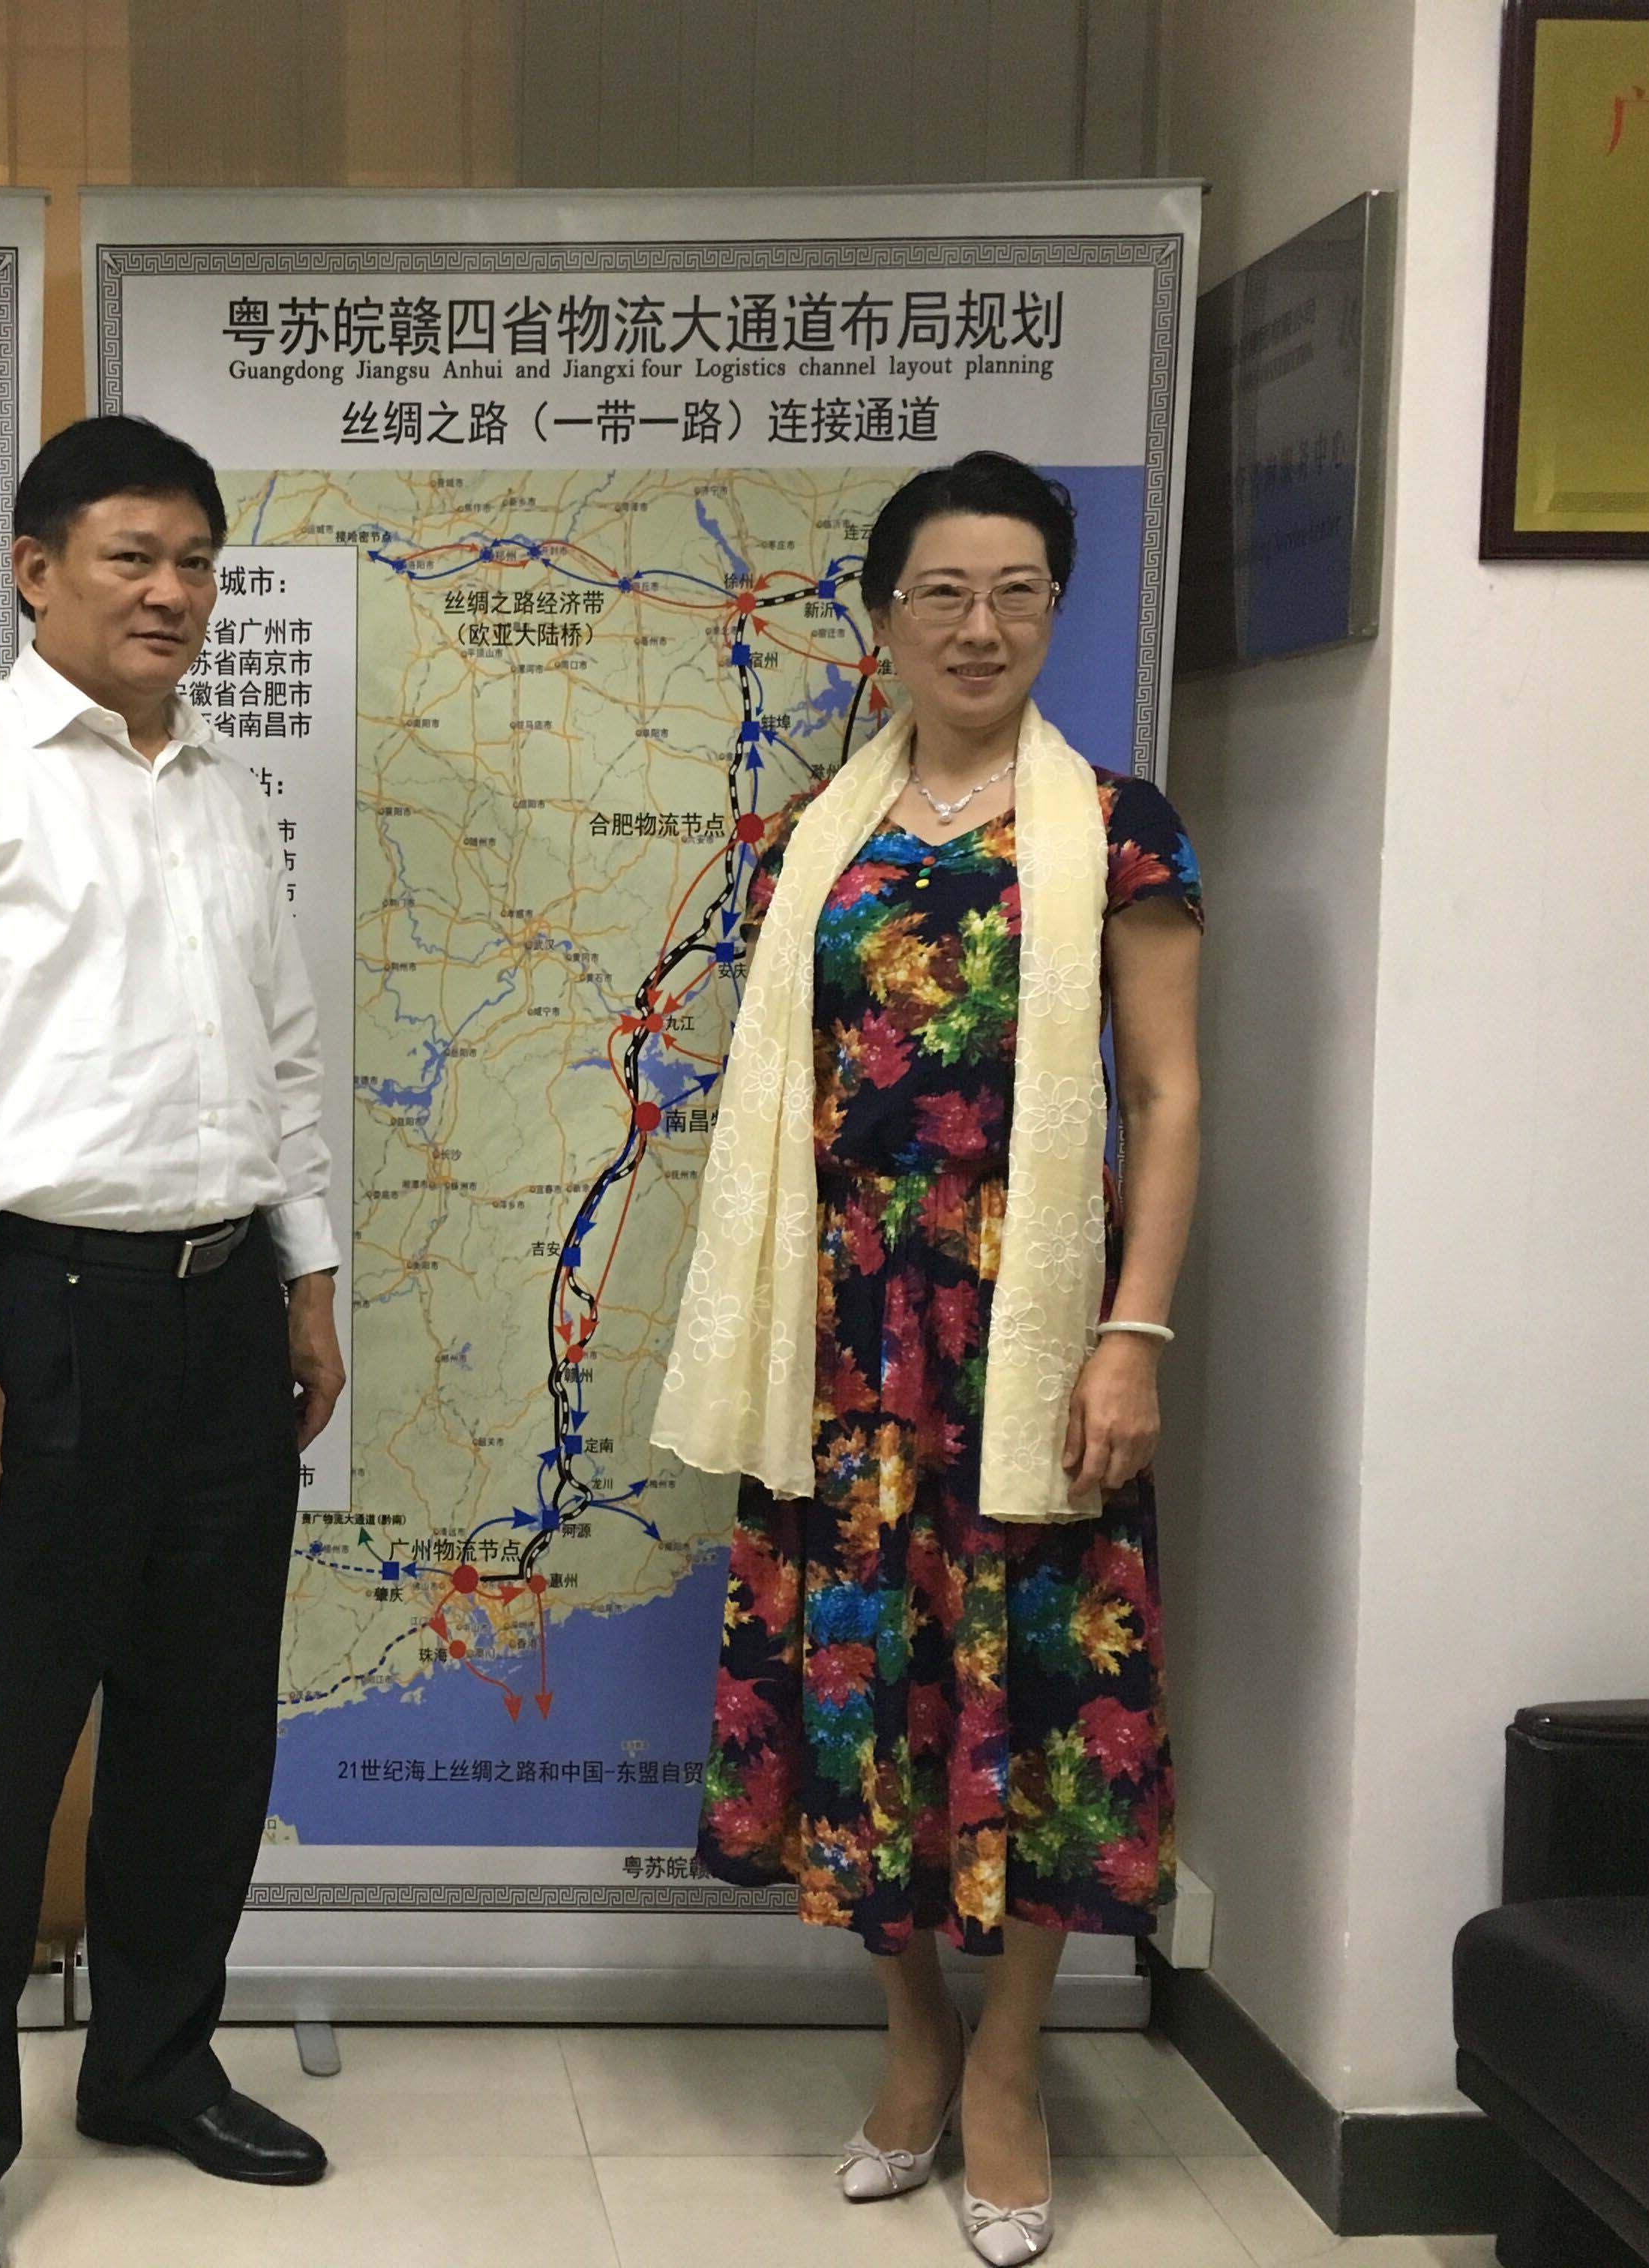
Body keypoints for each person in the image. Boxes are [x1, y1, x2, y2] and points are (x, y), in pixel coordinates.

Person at [652, 452, 1204, 2265]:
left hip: (1028, 1331)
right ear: (884, 617)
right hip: (839, 1342)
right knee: (855, 1693)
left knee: (1040, 1688)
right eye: (945, 593)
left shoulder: (1119, 828)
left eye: (1018, 592)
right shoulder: (815, 834)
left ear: (1056, 611)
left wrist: (1131, 1332)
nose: (982, 626)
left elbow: (1165, 1098)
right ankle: (915, 2040)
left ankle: (1014, 2066)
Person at [0, 414, 347, 2268]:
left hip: (224, 1315)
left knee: (204, 1731)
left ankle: (154, 2064)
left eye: (196, 560)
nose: (171, 592)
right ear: (34, 570)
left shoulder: (221, 788)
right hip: (33, 1316)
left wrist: (307, 1269)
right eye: (132, 556)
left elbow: (281, 1044)